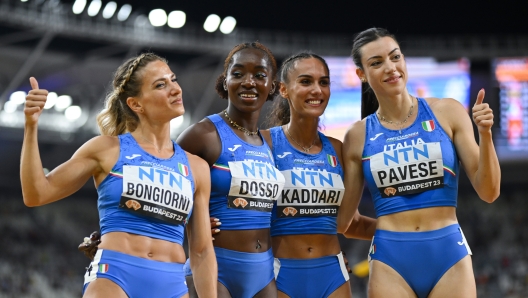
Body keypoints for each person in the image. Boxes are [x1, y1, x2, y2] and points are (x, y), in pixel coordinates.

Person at [20, 53, 217, 298]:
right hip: (114, 276)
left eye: (173, 79)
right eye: (161, 85)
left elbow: (202, 252)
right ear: (136, 104)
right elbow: (36, 194)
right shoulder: (106, 149)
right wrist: (31, 125)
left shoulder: (196, 167)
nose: (175, 89)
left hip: (172, 285)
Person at [339, 28, 501, 298]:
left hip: (448, 254)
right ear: (361, 74)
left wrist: (485, 134)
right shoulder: (357, 136)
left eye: (395, 57)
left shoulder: (447, 112)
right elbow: (344, 222)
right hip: (390, 260)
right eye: (376, 63)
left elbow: (490, 191)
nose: (390, 68)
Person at [261, 52, 376, 298]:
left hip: (332, 274)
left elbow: (350, 223)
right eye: (305, 82)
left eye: (323, 82)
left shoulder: (338, 149)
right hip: (280, 274)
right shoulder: (264, 144)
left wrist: (405, 228)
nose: (317, 90)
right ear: (283, 89)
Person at [176, 42, 285, 298]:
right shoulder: (204, 135)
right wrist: (191, 221)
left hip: (264, 273)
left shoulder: (270, 144)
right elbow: (162, 186)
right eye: (238, 74)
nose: (249, 82)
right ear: (225, 81)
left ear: (272, 86)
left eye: (259, 75)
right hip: (215, 270)